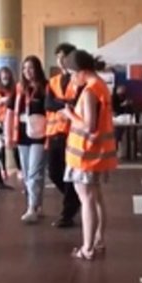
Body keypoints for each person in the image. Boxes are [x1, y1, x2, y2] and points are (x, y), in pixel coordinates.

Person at [59, 50, 117, 260]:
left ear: (82, 72)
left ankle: (88, 247)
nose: (72, 78)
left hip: (85, 154)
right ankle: (98, 240)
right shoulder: (101, 87)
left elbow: (89, 126)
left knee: (87, 200)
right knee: (97, 198)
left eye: (72, 73)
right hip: (98, 153)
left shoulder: (90, 91)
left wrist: (69, 114)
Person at [6, 56, 49, 223]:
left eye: (30, 68)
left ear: (37, 69)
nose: (27, 72)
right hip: (22, 135)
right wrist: (9, 136)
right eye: (24, 69)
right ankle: (38, 206)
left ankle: (31, 207)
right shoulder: (19, 89)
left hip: (40, 135)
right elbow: (10, 113)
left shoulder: (45, 88)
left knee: (35, 172)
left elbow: (50, 112)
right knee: (27, 172)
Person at [45, 42, 81, 229]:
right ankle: (75, 200)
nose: (60, 61)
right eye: (57, 57)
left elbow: (78, 102)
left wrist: (62, 103)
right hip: (54, 133)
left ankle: (67, 213)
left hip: (72, 134)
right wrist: (64, 104)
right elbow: (48, 104)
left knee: (69, 174)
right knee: (54, 173)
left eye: (63, 57)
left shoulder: (79, 80)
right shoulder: (53, 81)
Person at [0, 67, 17, 179]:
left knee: (14, 145)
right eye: (3, 75)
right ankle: (3, 169)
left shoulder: (13, 90)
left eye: (7, 75)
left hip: (11, 121)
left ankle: (19, 169)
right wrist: (1, 101)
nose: (5, 77)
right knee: (1, 147)